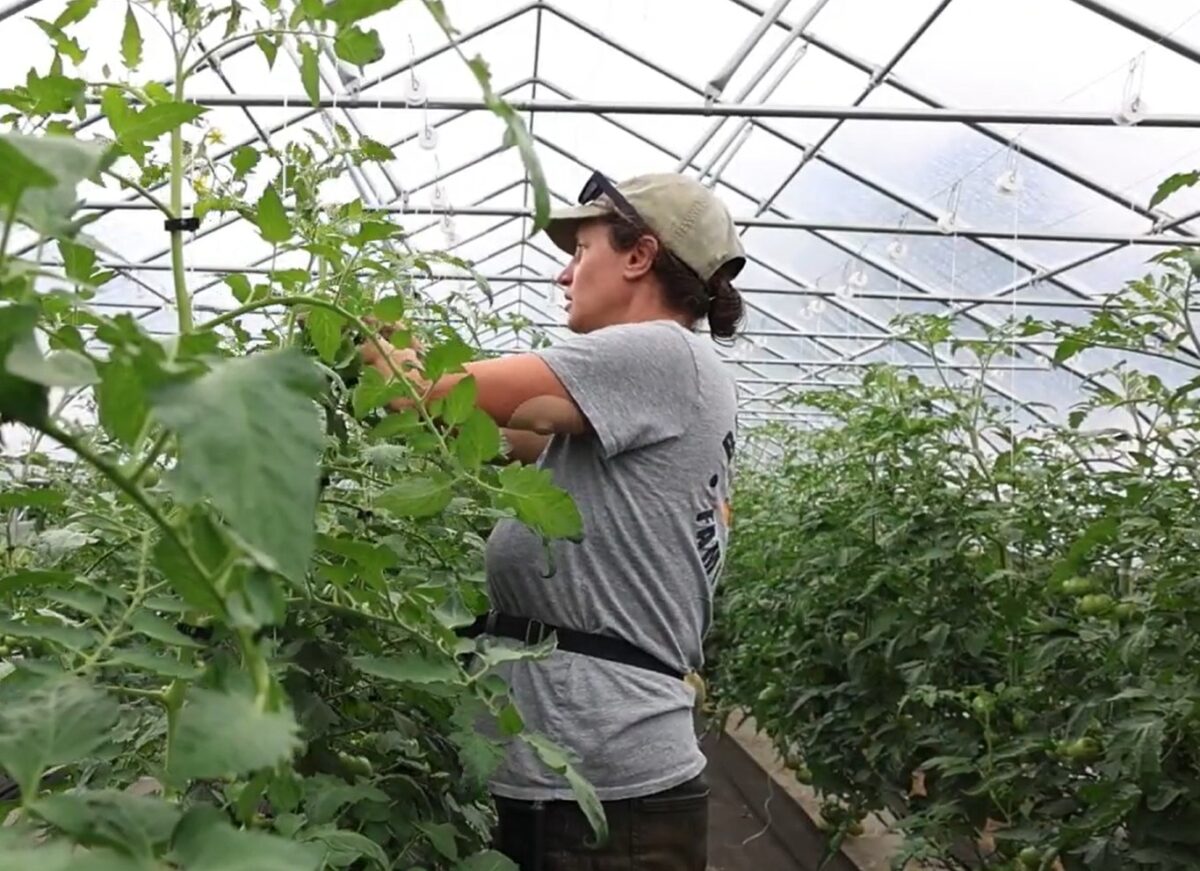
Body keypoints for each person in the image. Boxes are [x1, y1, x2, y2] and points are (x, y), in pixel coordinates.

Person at [361, 170, 745, 870]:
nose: (562, 275)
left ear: (639, 256)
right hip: (587, 773)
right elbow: (474, 431)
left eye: (582, 250)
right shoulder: (645, 393)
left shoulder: (657, 351)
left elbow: (422, 398)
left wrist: (363, 334)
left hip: (602, 784)